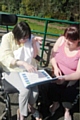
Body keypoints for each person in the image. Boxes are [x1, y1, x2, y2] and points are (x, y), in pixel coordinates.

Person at [0, 21, 43, 120]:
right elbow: (5, 58)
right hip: (11, 70)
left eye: (27, 37)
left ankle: (30, 108)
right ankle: (22, 115)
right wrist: (23, 63)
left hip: (26, 69)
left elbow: (34, 56)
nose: (26, 40)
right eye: (24, 38)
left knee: (35, 91)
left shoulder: (29, 38)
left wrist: (33, 43)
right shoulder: (7, 38)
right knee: (25, 90)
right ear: (16, 35)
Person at [49, 25, 80, 120]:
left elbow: (78, 73)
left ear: (78, 40)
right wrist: (56, 67)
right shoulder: (61, 40)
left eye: (71, 40)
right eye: (66, 38)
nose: (67, 42)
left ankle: (67, 110)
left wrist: (64, 78)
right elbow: (52, 56)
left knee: (70, 90)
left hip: (71, 77)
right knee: (53, 85)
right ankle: (55, 103)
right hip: (58, 72)